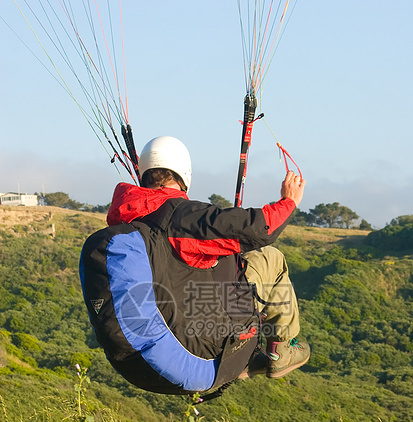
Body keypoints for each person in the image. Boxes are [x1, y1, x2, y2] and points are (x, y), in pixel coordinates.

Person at [80, 136, 309, 396]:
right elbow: (260, 229)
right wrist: (289, 201)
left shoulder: (128, 228)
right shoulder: (182, 217)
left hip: (145, 368)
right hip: (204, 353)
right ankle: (281, 350)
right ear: (184, 174)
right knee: (269, 258)